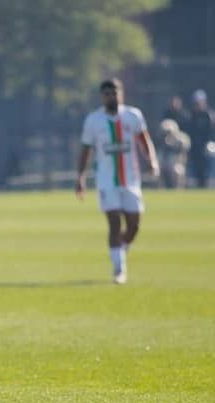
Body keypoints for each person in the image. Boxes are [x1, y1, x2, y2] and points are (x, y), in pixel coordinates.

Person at [76, 79, 159, 284]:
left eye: (114, 93)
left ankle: (120, 249)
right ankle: (119, 269)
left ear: (121, 94)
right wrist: (81, 177)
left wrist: (152, 160)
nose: (111, 97)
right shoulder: (94, 121)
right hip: (107, 180)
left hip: (131, 180)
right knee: (114, 222)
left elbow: (144, 139)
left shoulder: (133, 116)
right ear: (101, 97)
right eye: (107, 94)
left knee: (133, 226)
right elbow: (86, 150)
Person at [187, 89, 215, 188]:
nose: (197, 105)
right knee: (196, 169)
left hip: (207, 146)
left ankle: (210, 185)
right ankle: (198, 186)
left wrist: (207, 143)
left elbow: (212, 132)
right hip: (195, 147)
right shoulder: (192, 115)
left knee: (208, 168)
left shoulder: (209, 115)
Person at [157, 119, 190, 189]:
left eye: (169, 132)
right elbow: (160, 157)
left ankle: (178, 190)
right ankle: (161, 190)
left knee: (177, 170)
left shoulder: (181, 140)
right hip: (165, 164)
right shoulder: (161, 142)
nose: (167, 134)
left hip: (176, 163)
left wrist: (174, 144)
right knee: (157, 171)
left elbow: (183, 154)